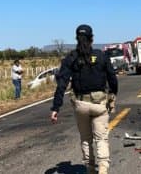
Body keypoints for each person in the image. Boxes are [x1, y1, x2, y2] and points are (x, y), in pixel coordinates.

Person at [50, 25, 118, 174]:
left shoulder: (71, 58)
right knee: (101, 139)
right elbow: (112, 78)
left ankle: (90, 169)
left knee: (86, 139)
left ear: (76, 39)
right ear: (92, 38)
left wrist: (55, 108)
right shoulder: (101, 56)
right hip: (100, 104)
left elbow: (62, 83)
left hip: (81, 104)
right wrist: (113, 94)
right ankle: (103, 169)